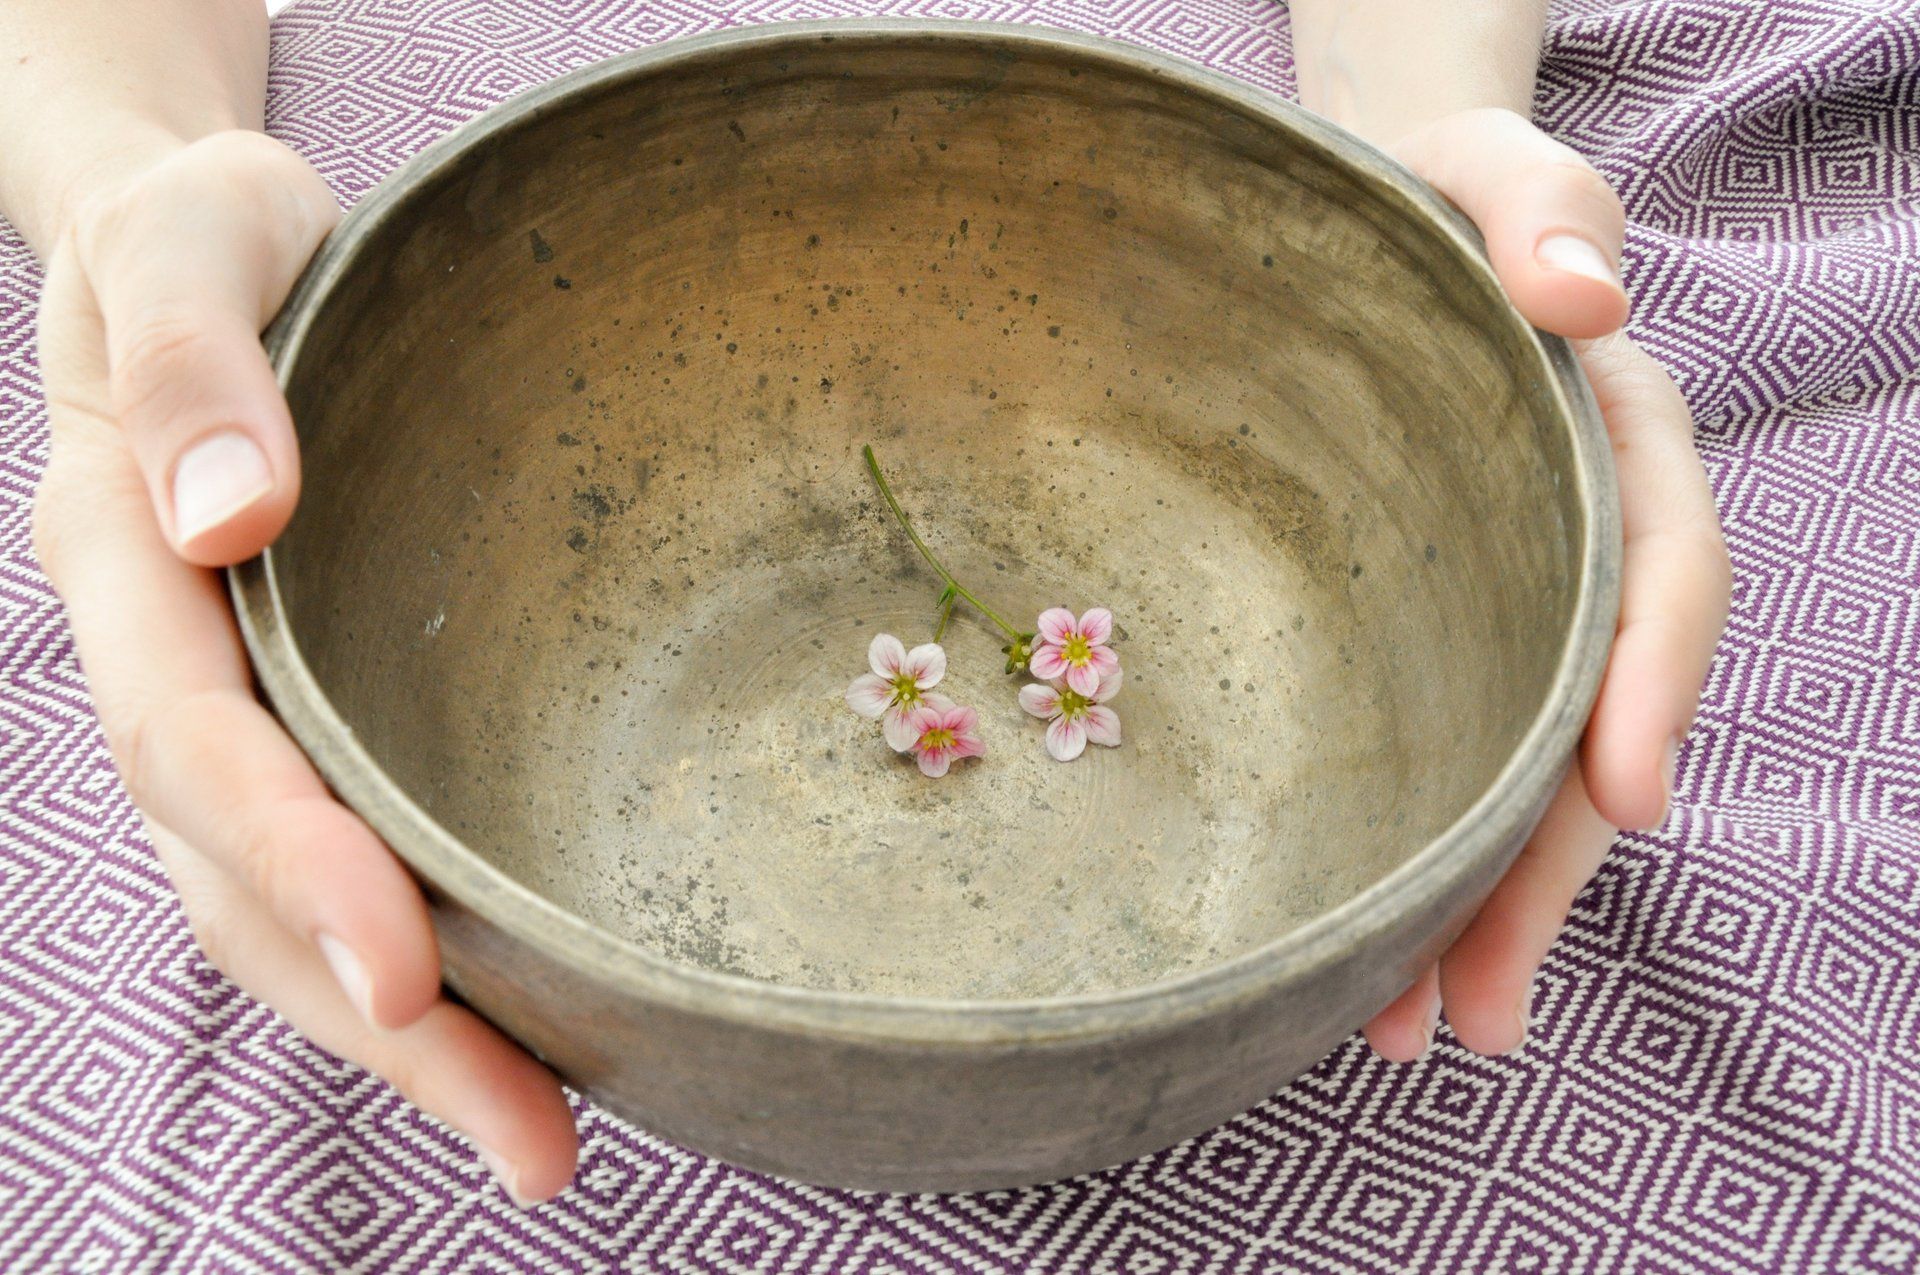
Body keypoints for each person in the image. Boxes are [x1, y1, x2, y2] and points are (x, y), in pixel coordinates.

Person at [0, 0, 1729, 1207]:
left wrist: (1406, 184)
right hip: (382, 197)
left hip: (1205, 177)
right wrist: (123, 179)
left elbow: (1408, 122)